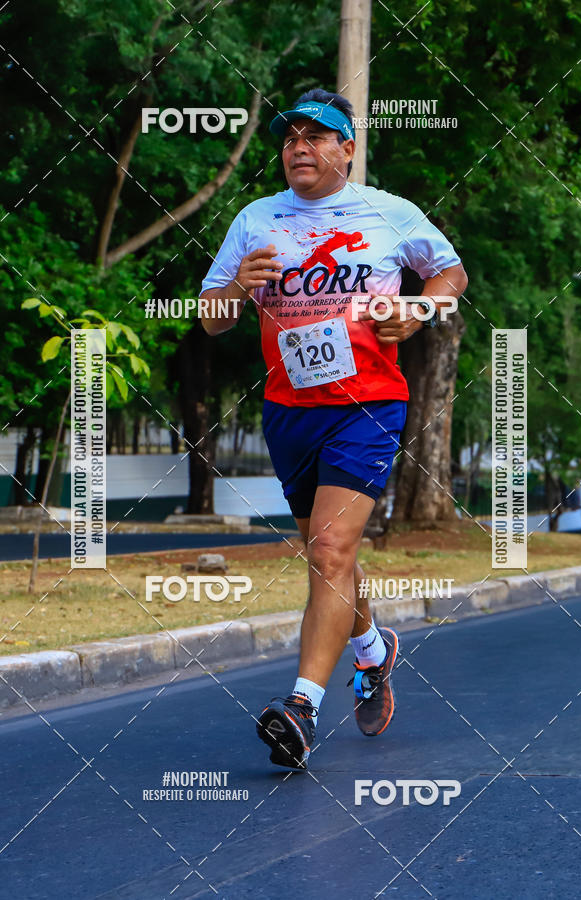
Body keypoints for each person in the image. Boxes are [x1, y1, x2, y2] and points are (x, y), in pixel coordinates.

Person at [200, 88, 468, 769]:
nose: (299, 146)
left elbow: (450, 274)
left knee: (327, 550)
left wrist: (416, 307)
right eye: (290, 136)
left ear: (347, 148)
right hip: (290, 412)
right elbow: (209, 316)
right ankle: (374, 649)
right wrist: (237, 288)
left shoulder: (389, 211)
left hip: (369, 404)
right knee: (332, 560)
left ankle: (300, 709)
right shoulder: (256, 219)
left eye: (317, 136)